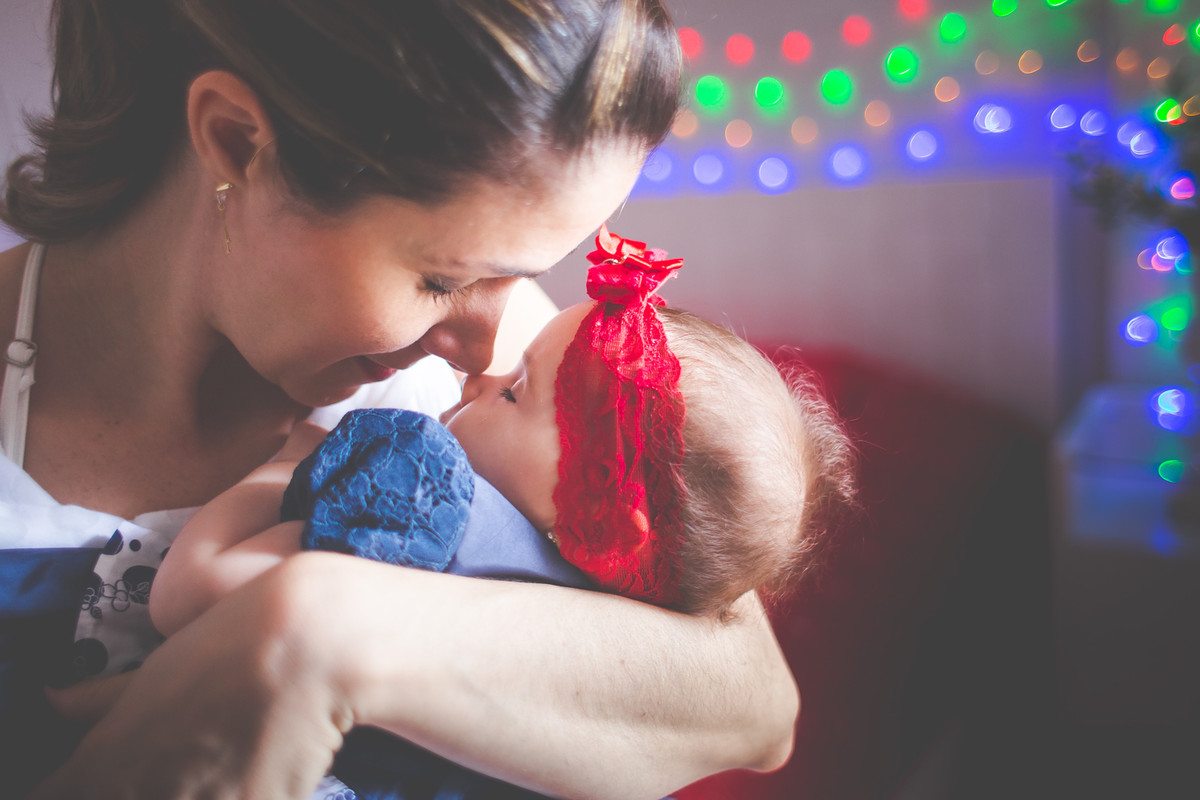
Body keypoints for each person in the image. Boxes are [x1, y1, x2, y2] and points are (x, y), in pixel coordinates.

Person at [0, 2, 803, 799]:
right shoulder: (503, 393)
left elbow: (755, 706)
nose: (486, 352)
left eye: (524, 274)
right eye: (443, 280)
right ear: (240, 144)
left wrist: (318, 632)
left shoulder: (527, 382)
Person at [139, 229, 856, 799]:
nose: (481, 373)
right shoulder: (619, 630)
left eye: (515, 390)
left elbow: (191, 590)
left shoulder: (422, 503)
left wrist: (291, 461)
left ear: (599, 515)